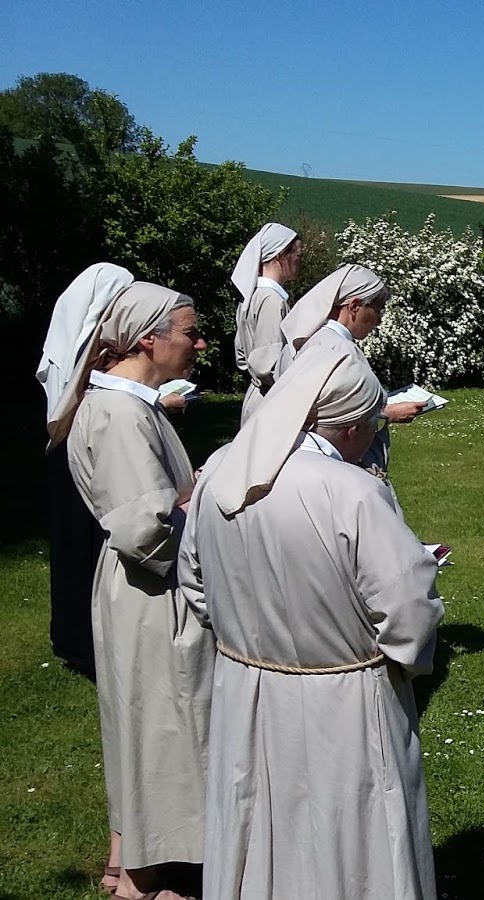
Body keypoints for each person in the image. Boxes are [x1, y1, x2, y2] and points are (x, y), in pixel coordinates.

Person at [179, 344, 443, 900]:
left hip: (244, 689)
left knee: (259, 826)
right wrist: (400, 664)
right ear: (349, 425)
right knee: (352, 836)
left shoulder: (221, 468)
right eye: (371, 424)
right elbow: (408, 611)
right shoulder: (352, 491)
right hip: (344, 700)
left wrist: (244, 638)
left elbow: (193, 580)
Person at [50, 281, 214, 900]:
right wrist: (211, 500)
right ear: (148, 338)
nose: (199, 343)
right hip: (151, 592)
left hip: (145, 587)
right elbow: (146, 529)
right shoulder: (119, 413)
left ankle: (132, 863)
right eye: (190, 332)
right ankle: (144, 882)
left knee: (151, 724)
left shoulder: (130, 404)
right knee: (162, 725)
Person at [36, 263, 136, 680]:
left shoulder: (72, 335)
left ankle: (74, 636)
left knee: (74, 547)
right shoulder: (84, 344)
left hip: (69, 449)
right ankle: (85, 641)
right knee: (85, 547)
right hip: (83, 449)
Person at [276, 263, 424, 495]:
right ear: (354, 306)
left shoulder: (320, 340)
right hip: (338, 465)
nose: (380, 321)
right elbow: (328, 417)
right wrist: (388, 413)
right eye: (378, 310)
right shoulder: (337, 349)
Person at [230, 222, 302, 423]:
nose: (300, 261)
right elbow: (267, 366)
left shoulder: (252, 295)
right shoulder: (271, 300)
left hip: (259, 396)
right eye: (298, 255)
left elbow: (242, 356)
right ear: (280, 256)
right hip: (269, 402)